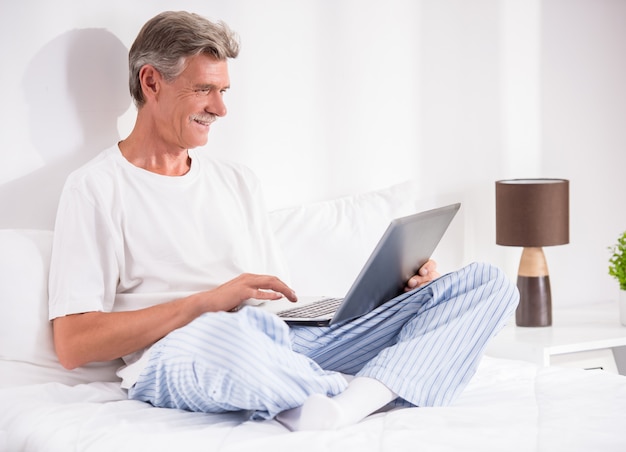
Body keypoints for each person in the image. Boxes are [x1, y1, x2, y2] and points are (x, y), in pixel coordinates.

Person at [48, 11, 519, 431]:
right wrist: (206, 303)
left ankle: (343, 402)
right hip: (188, 350)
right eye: (204, 90)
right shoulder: (95, 188)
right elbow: (74, 344)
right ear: (151, 82)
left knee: (487, 284)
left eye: (224, 90)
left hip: (277, 341)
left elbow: (277, 306)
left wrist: (394, 294)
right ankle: (368, 385)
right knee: (227, 335)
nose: (221, 108)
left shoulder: (237, 181)